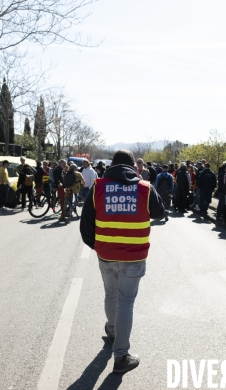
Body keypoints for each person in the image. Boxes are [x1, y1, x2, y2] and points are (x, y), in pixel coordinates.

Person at [79, 149, 165, 374]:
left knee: (110, 295)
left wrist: (97, 246)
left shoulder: (99, 187)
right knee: (125, 302)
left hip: (106, 255)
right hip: (134, 258)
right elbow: (159, 212)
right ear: (133, 168)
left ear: (112, 166)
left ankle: (112, 331)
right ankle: (121, 356)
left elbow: (86, 223)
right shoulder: (144, 188)